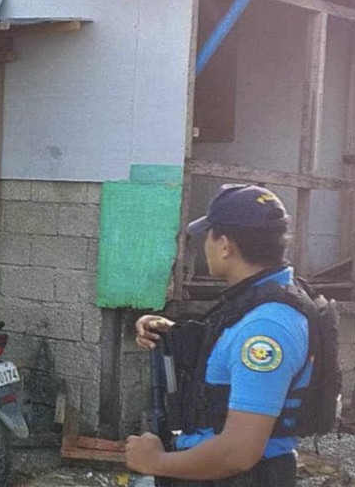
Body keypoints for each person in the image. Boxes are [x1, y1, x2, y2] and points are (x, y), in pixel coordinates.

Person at [126, 184, 315, 487]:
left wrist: (155, 462)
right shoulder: (261, 303)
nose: (205, 246)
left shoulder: (265, 330)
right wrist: (172, 333)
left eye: (208, 236)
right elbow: (230, 360)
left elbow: (238, 452)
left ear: (225, 245)